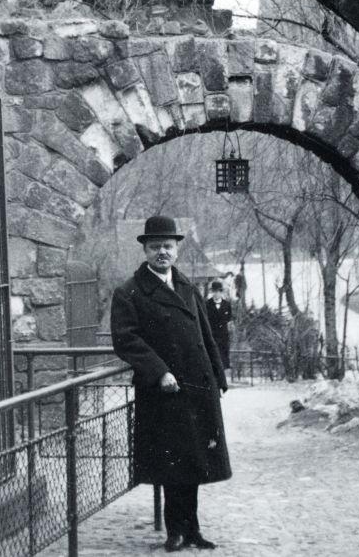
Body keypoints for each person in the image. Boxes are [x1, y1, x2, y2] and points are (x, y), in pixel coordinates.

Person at [110, 216, 230, 551]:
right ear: (145, 251)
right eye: (155, 247)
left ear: (176, 250)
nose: (162, 252)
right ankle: (176, 530)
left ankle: (192, 529)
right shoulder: (130, 292)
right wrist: (159, 371)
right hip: (164, 390)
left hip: (197, 387)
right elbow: (126, 340)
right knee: (173, 462)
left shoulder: (186, 286)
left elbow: (205, 335)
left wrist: (218, 376)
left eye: (167, 246)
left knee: (195, 462)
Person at [204, 281, 233, 371]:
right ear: (212, 292)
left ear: (221, 292)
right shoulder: (207, 304)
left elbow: (229, 320)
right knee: (213, 360)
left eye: (218, 291)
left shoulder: (227, 304)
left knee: (224, 361)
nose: (216, 294)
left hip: (224, 337)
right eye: (214, 291)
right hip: (212, 336)